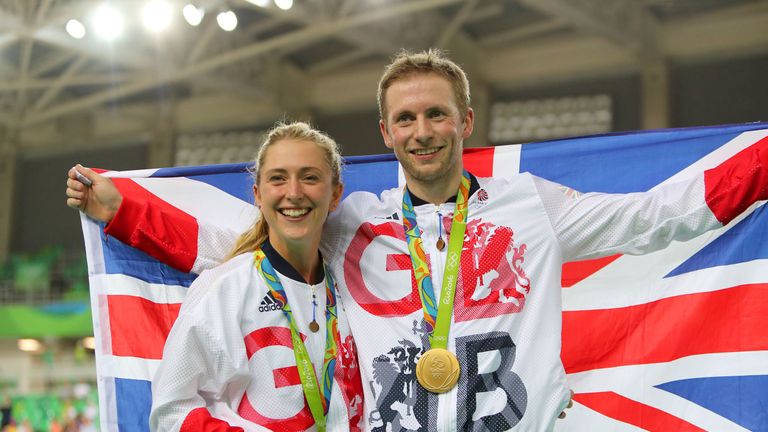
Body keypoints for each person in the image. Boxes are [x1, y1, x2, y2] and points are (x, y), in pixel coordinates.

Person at [67, 50, 768, 431]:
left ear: (466, 120)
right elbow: (246, 239)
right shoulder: (353, 221)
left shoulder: (530, 207)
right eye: (406, 119)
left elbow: (655, 216)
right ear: (386, 133)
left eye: (436, 114)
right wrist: (122, 211)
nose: (422, 130)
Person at [144, 122, 362, 430]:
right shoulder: (224, 288)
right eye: (278, 179)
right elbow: (170, 411)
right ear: (258, 194)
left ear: (336, 194)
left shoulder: (352, 286)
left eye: (310, 177)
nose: (294, 192)